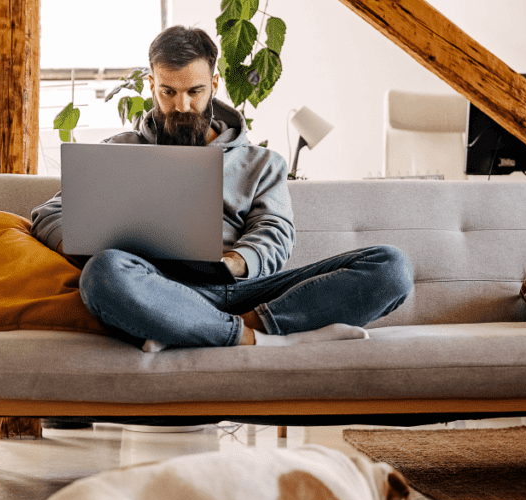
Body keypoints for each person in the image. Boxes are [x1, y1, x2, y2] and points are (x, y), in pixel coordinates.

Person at [31, 25, 413, 354]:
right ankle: (255, 338)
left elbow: (274, 234)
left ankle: (193, 329)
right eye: (168, 92)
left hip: (247, 289)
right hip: (159, 288)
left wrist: (233, 263)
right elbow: (48, 215)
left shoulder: (263, 162)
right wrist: (91, 242)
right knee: (103, 273)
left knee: (391, 267)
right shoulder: (119, 150)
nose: (182, 105)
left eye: (195, 91)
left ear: (214, 84)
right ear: (151, 85)